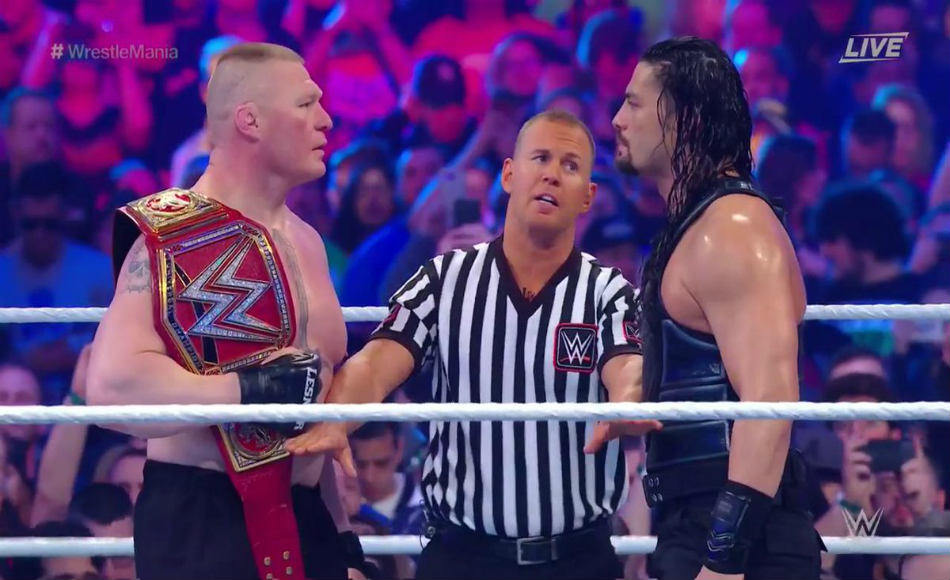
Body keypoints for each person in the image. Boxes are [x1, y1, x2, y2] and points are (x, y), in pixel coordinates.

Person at [287, 109, 660, 580]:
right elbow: (378, 361)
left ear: (588, 195)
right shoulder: (443, 280)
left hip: (577, 558)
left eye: (570, 165)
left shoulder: (607, 290)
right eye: (540, 158)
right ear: (509, 174)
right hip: (462, 556)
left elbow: (626, 363)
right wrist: (336, 417)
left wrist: (627, 403)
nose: (552, 174)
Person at [87, 42, 369, 580]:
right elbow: (111, 387)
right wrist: (248, 390)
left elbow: (308, 408)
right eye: (306, 104)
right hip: (203, 519)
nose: (326, 120)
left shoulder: (308, 242)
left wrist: (342, 537)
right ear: (250, 120)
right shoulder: (170, 237)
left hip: (307, 519)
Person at [610, 37, 821, 579]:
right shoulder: (698, 225)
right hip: (696, 518)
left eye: (633, 103)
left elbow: (769, 402)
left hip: (741, 534)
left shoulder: (733, 229)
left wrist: (722, 562)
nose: (616, 120)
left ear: (686, 119)